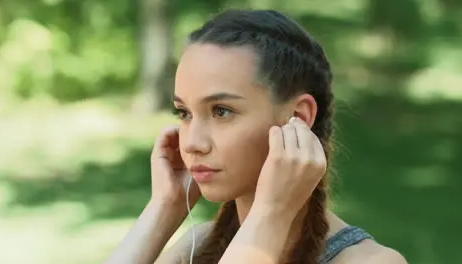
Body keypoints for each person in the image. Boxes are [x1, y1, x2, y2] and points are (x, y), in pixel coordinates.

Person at [105, 9, 408, 264]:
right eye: (184, 113)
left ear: (297, 118)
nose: (192, 143)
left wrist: (273, 213)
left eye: (221, 111)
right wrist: (165, 207)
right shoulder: (199, 245)